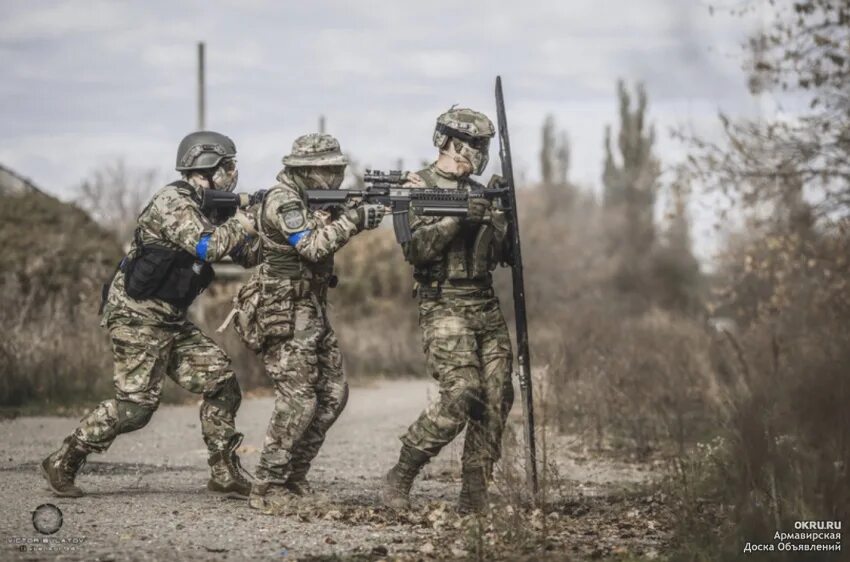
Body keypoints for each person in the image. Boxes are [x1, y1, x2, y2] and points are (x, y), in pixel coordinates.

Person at [41, 131, 259, 498]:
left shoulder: (211, 207)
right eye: (228, 165)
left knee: (222, 383)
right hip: (135, 317)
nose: (234, 173)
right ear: (207, 166)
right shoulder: (172, 201)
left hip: (169, 320)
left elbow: (245, 254)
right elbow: (208, 246)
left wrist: (281, 228)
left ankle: (224, 471)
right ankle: (64, 459)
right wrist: (246, 217)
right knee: (136, 407)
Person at [243, 133, 385, 511]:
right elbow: (312, 246)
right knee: (299, 400)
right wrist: (353, 220)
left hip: (311, 308)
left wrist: (344, 212)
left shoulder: (309, 199)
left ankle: (293, 477)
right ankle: (267, 485)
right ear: (305, 170)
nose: (337, 177)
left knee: (334, 394)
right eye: (329, 171)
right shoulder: (283, 200)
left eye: (339, 170)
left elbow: (320, 232)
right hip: (284, 310)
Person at [382, 108, 514, 512]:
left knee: (496, 395)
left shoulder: (480, 191)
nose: (475, 153)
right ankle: (401, 474)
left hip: (484, 304)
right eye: (471, 144)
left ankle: (474, 494)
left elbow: (506, 255)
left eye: (482, 146)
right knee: (462, 394)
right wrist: (456, 221)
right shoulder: (415, 186)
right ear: (447, 141)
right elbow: (415, 249)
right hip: (443, 303)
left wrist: (501, 217)